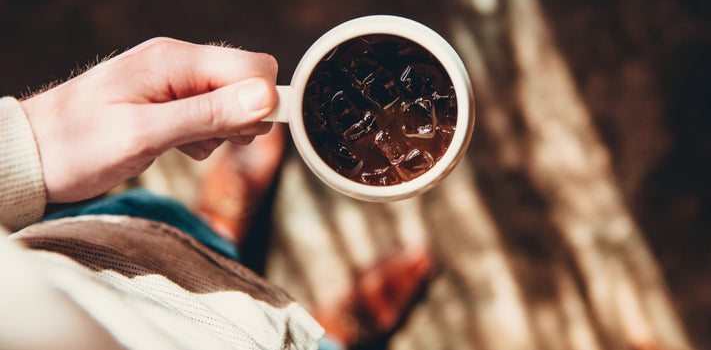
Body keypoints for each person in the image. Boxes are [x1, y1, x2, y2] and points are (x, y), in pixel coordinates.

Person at [0, 37, 432, 350]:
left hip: (103, 257)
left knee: (167, 229)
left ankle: (216, 224)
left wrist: (26, 147)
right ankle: (332, 336)